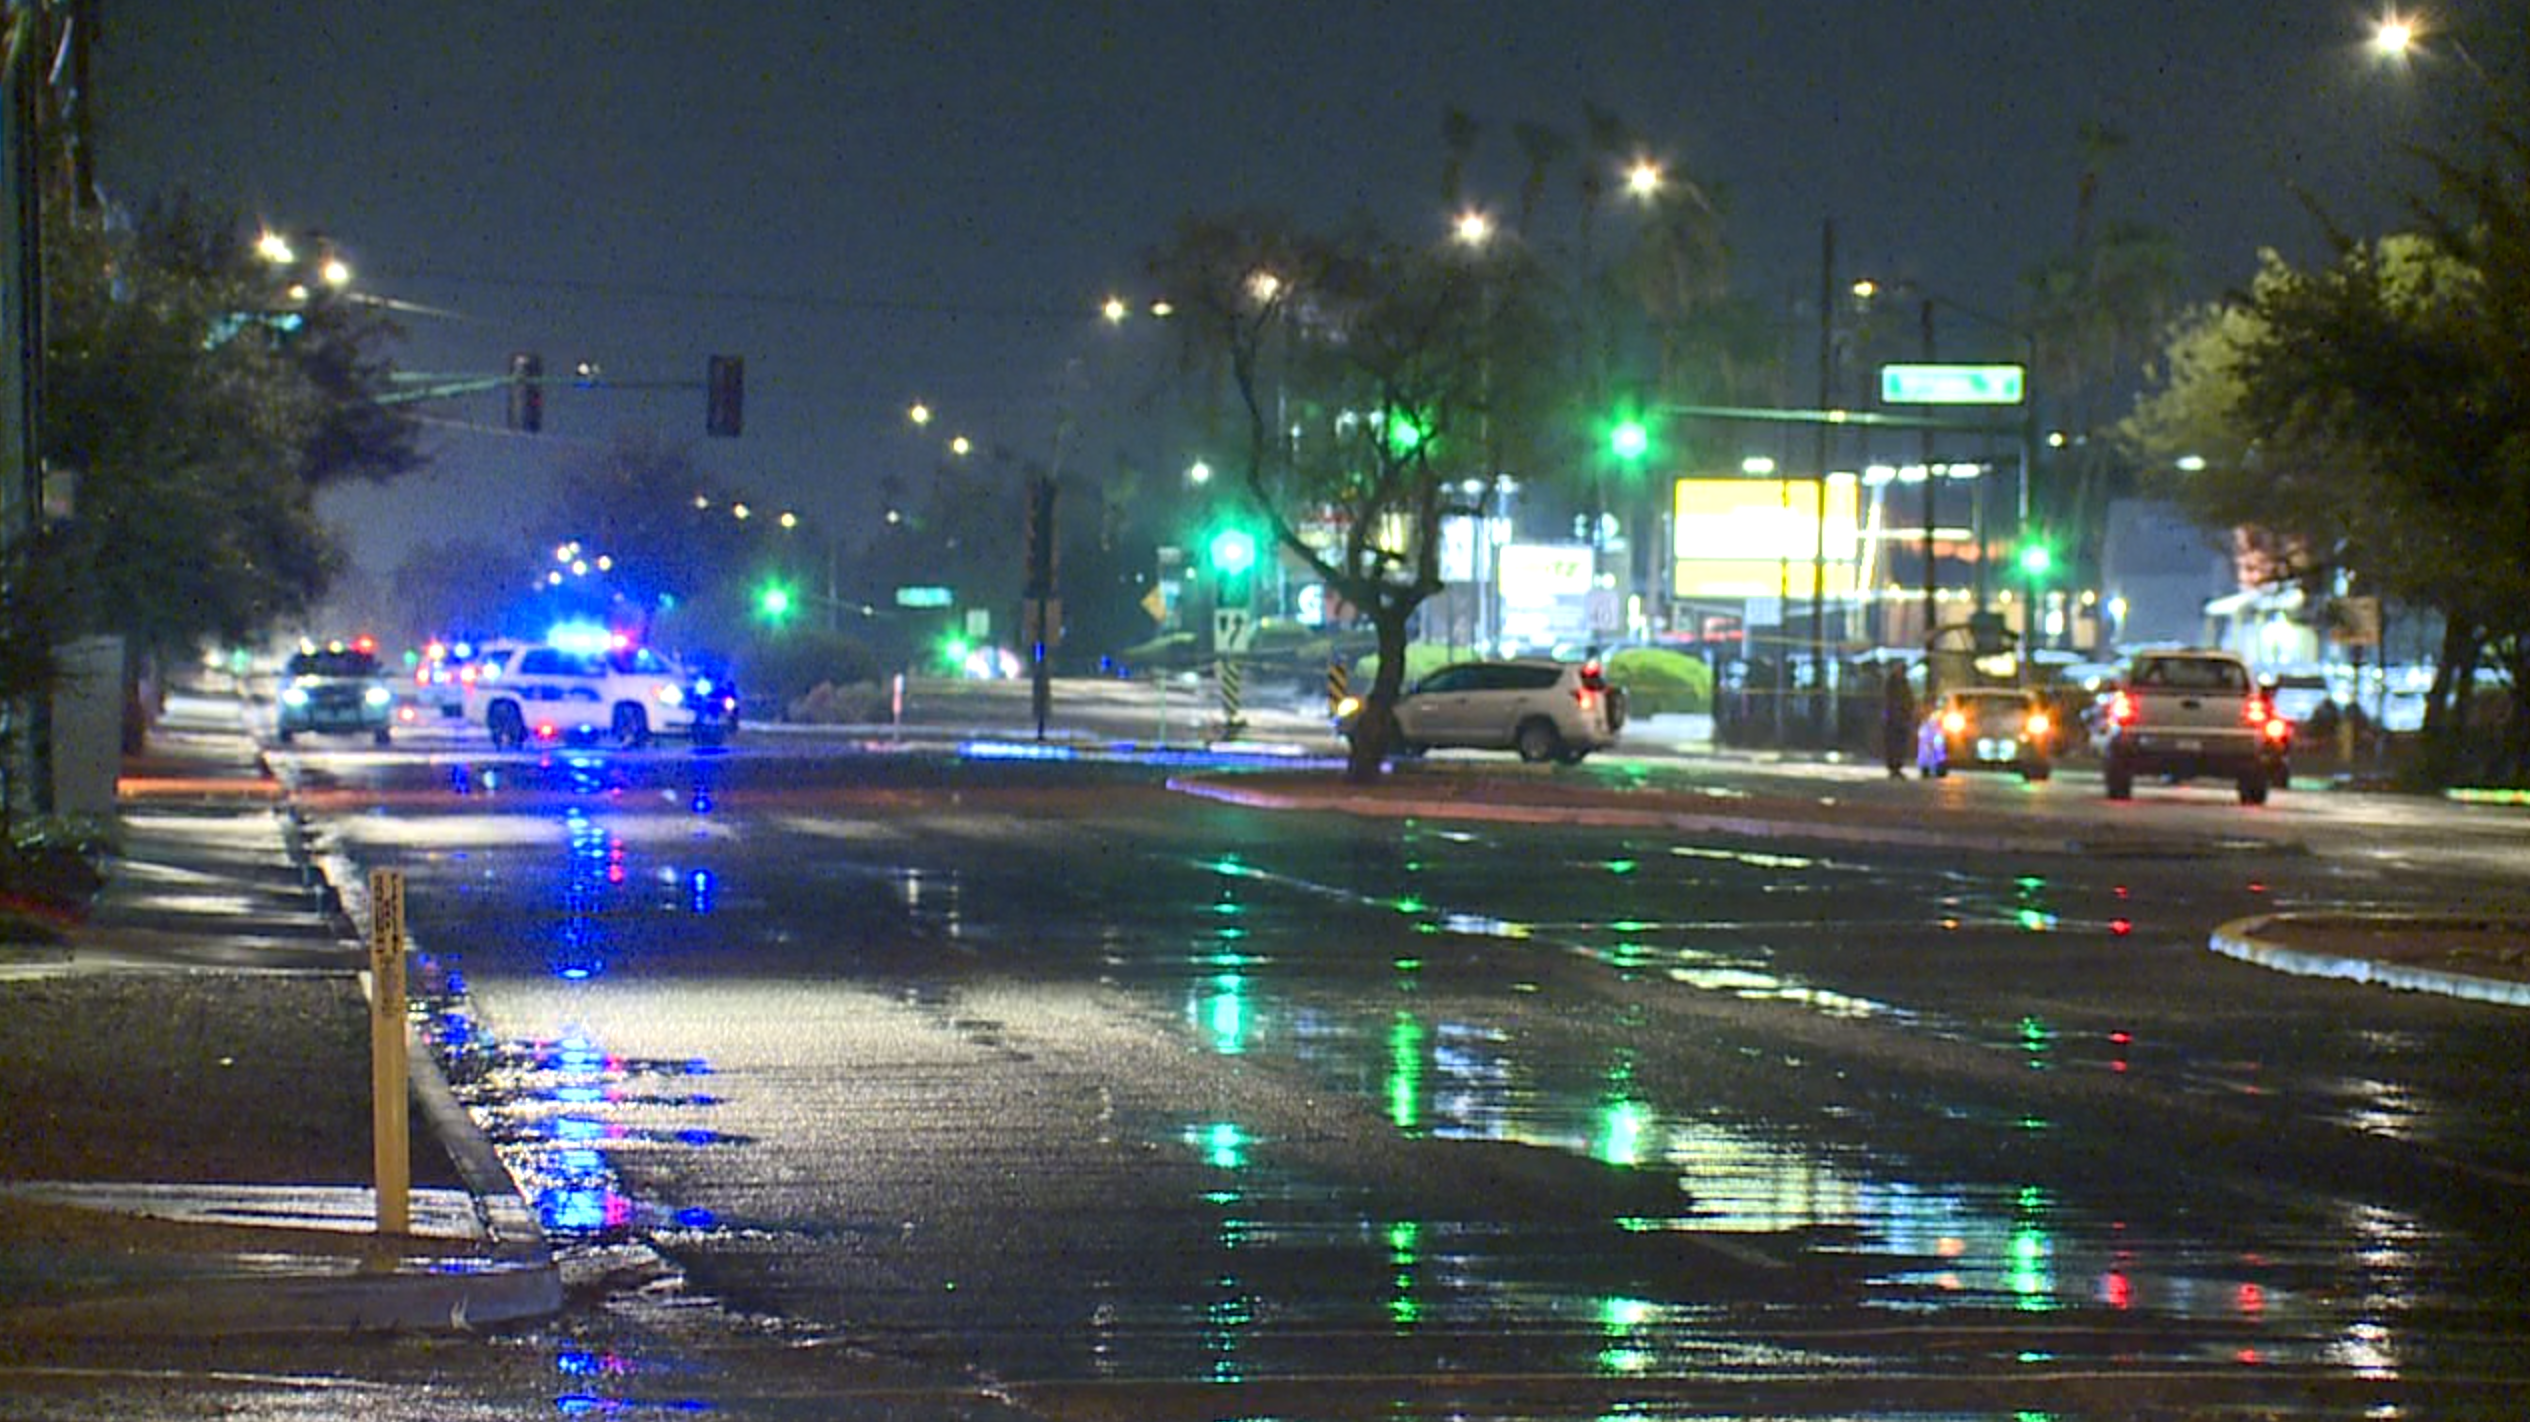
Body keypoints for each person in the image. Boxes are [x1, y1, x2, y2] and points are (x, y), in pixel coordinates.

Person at [1880, 664, 1915, 779]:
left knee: (1899, 744)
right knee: (1893, 744)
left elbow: (1909, 699)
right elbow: (1890, 700)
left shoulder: (1903, 683)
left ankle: (1897, 766)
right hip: (1894, 719)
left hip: (1901, 719)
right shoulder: (1892, 683)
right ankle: (1893, 767)